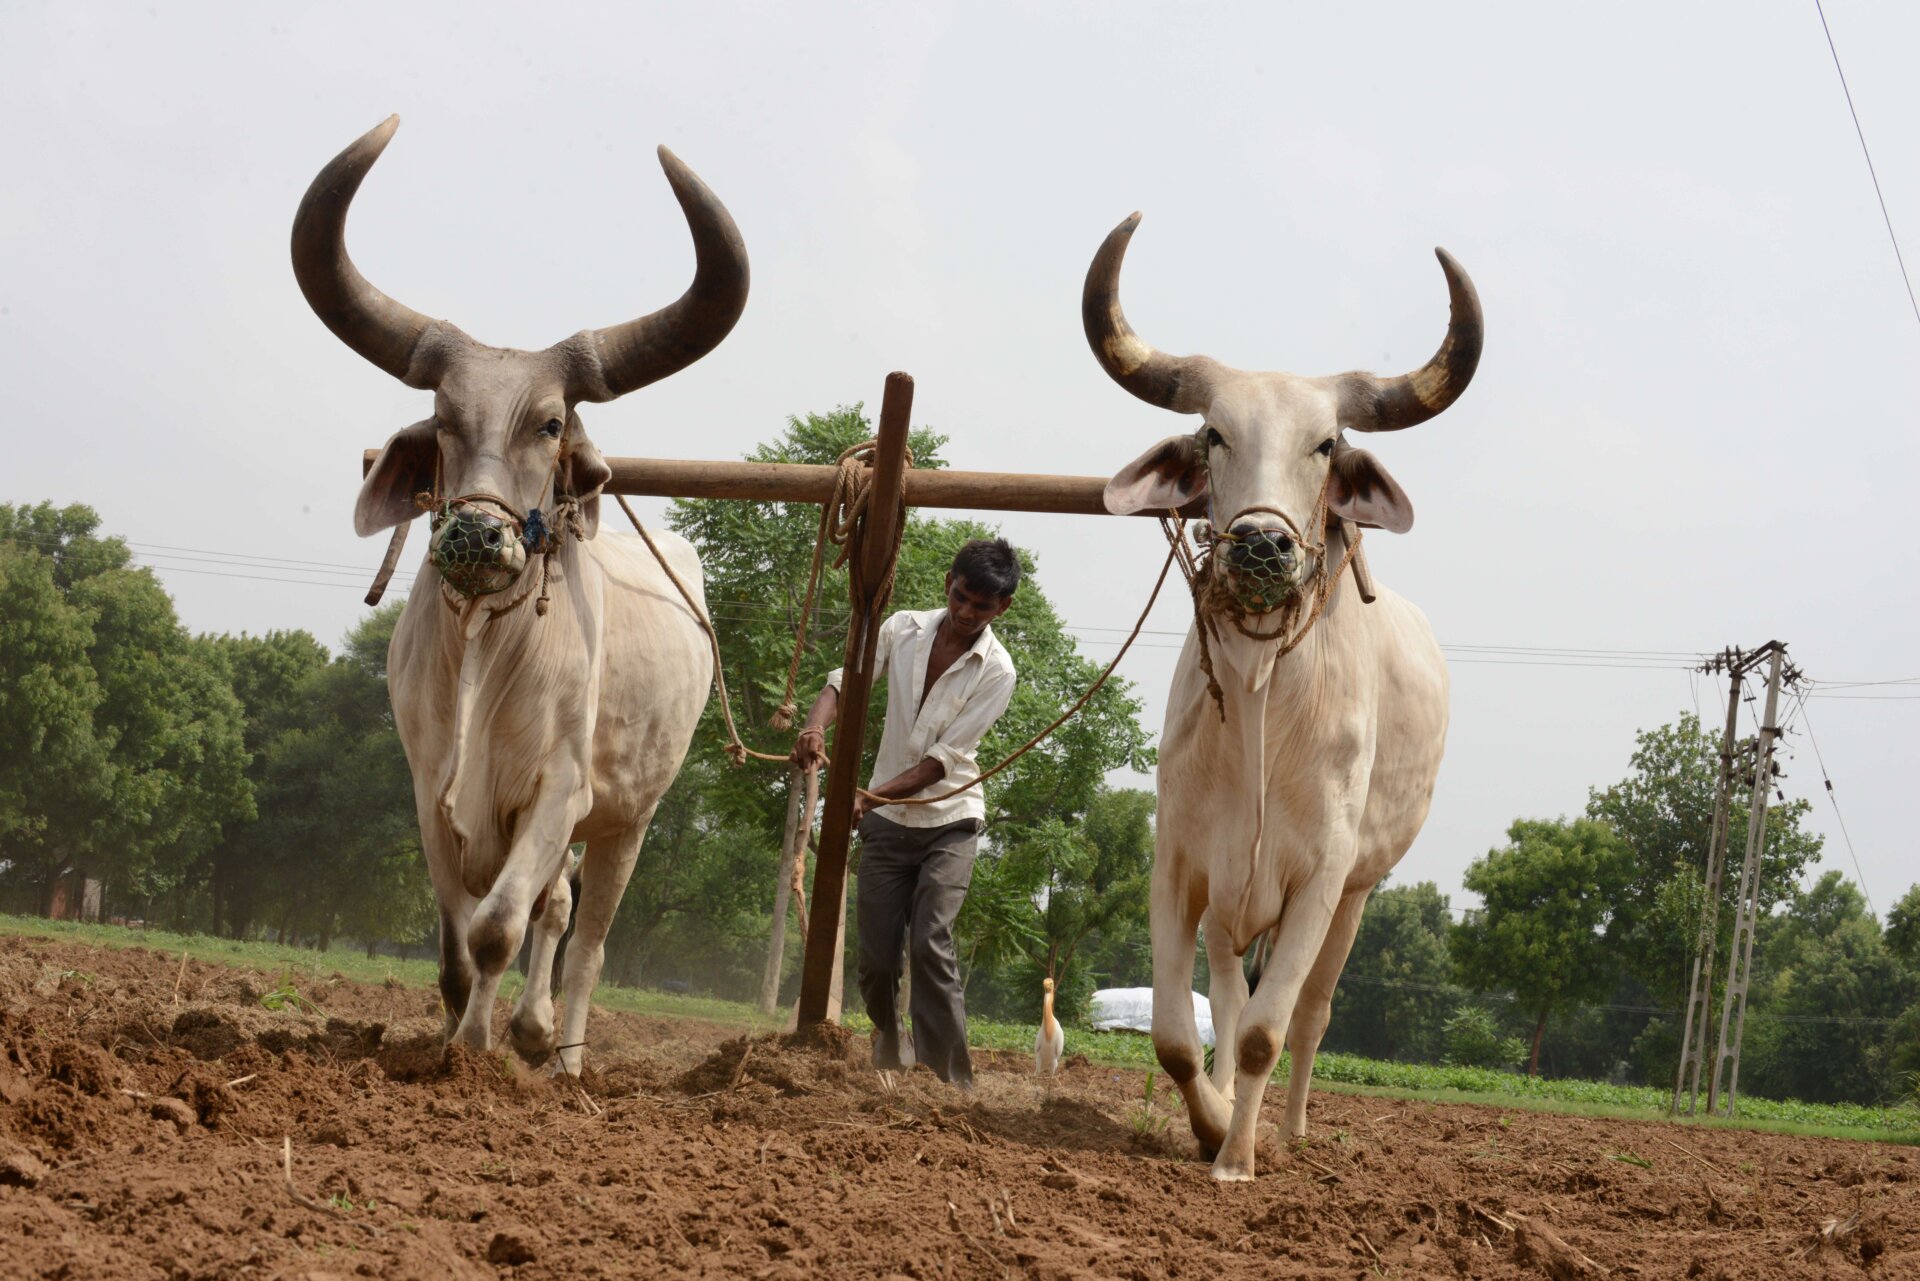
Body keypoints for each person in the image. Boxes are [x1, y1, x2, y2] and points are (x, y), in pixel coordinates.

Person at [791, 537, 1020, 1088]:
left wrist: (869, 797)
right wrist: (815, 725)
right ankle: (889, 1051)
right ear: (950, 582)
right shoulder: (903, 629)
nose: (966, 613)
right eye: (962, 597)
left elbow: (943, 763)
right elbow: (847, 681)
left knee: (929, 942)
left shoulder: (997, 671)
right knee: (875, 959)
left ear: (1001, 609)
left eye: (981, 607)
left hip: (951, 819)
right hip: (888, 825)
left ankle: (949, 1083)